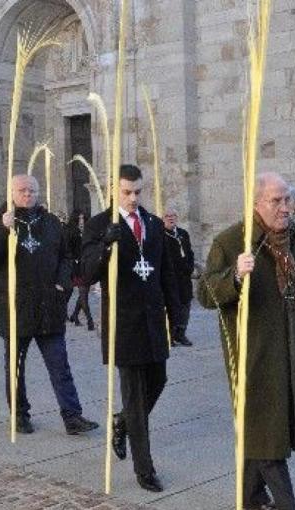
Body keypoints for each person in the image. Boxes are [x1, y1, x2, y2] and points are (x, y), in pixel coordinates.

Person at [198, 172, 295, 510]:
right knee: (269, 434)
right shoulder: (230, 242)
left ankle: (251, 493)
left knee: (268, 427)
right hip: (253, 355)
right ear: (255, 203)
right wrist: (236, 277)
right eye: (276, 201)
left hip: (292, 350)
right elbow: (205, 294)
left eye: (287, 199)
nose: (286, 207)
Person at [0, 175, 99, 435]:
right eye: (22, 190)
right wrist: (2, 230)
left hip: (49, 306)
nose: (28, 194)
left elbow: (66, 257)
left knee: (60, 366)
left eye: (32, 190)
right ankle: (20, 415)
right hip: (15, 306)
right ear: (11, 193)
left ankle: (72, 416)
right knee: (16, 368)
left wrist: (62, 284)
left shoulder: (51, 222)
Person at [82, 164, 176, 493]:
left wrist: (176, 317)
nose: (133, 198)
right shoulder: (99, 225)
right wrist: (107, 246)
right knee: (135, 399)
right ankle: (144, 468)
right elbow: (88, 272)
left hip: (153, 321)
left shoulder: (151, 223)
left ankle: (121, 422)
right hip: (123, 323)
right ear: (114, 190)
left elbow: (164, 272)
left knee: (159, 380)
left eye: (137, 192)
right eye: (126, 192)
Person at [163, 206, 195, 346]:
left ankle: (181, 334)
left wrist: (190, 266)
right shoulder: (161, 235)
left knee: (185, 305)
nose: (171, 218)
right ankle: (170, 335)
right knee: (171, 306)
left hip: (184, 277)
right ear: (163, 219)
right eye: (167, 216)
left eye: (173, 216)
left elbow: (190, 252)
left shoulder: (183, 233)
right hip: (170, 278)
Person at [66, 209, 94, 330]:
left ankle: (75, 315)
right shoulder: (70, 231)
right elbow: (67, 249)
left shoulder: (87, 231)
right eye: (80, 218)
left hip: (85, 266)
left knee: (84, 292)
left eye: (83, 218)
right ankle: (89, 320)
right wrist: (73, 259)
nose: (81, 221)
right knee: (82, 293)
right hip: (75, 266)